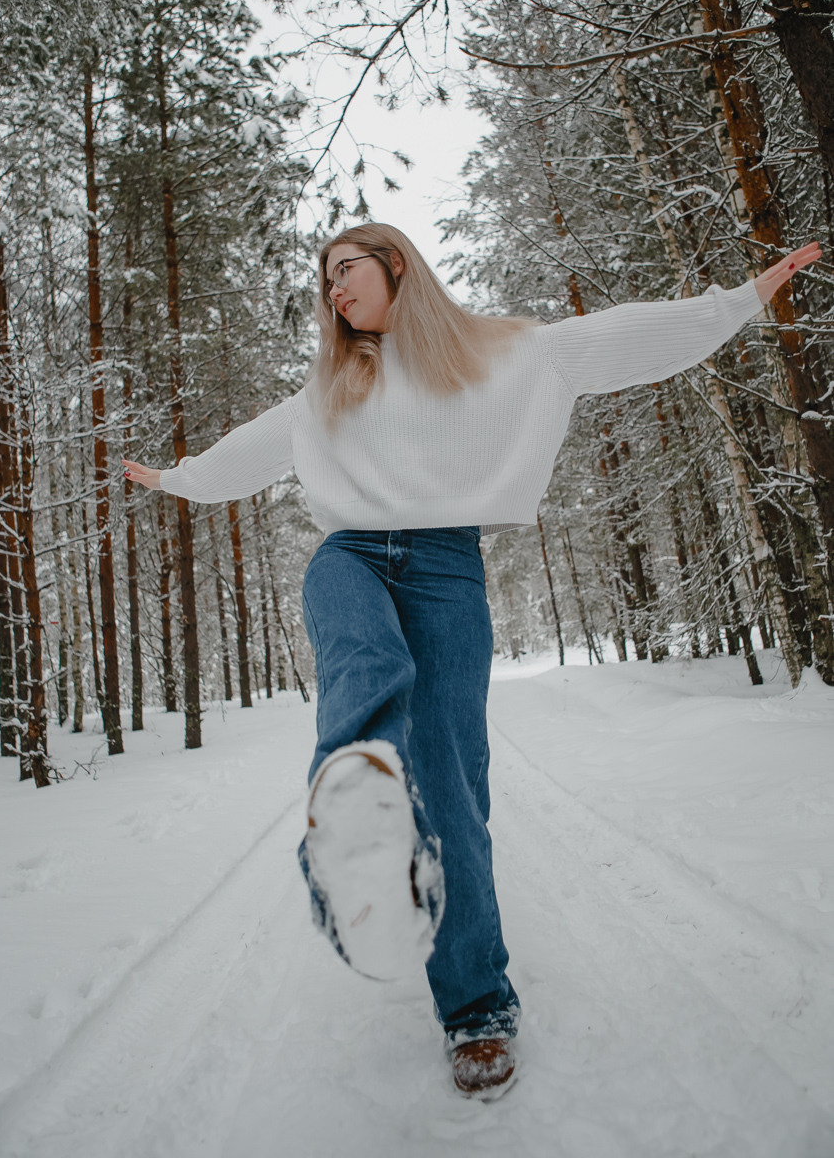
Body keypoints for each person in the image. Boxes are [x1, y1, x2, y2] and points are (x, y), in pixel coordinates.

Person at [124, 224, 820, 1101]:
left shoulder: (505, 354)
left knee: (454, 791)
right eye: (325, 281)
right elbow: (237, 459)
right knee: (363, 659)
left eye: (348, 270)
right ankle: (359, 808)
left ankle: (475, 1005)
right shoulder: (328, 391)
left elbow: (631, 336)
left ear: (396, 266)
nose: (334, 291)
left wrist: (742, 298)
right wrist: (170, 479)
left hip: (448, 569)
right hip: (351, 559)